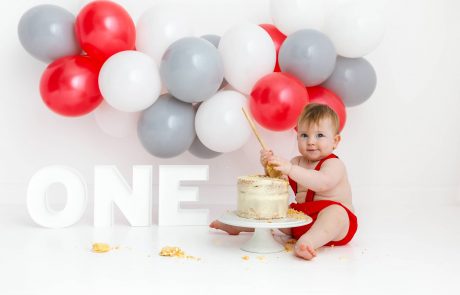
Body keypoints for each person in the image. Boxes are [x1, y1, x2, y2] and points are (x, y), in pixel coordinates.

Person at [210, 103, 357, 260]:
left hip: (335, 226)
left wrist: (290, 169)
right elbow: (279, 184)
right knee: (273, 208)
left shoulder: (334, 164)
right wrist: (270, 167)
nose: (311, 141)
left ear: (335, 141)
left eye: (320, 135)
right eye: (304, 135)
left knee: (336, 214)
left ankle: (308, 242)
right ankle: (238, 225)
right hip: (302, 221)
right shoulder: (296, 162)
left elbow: (322, 182)